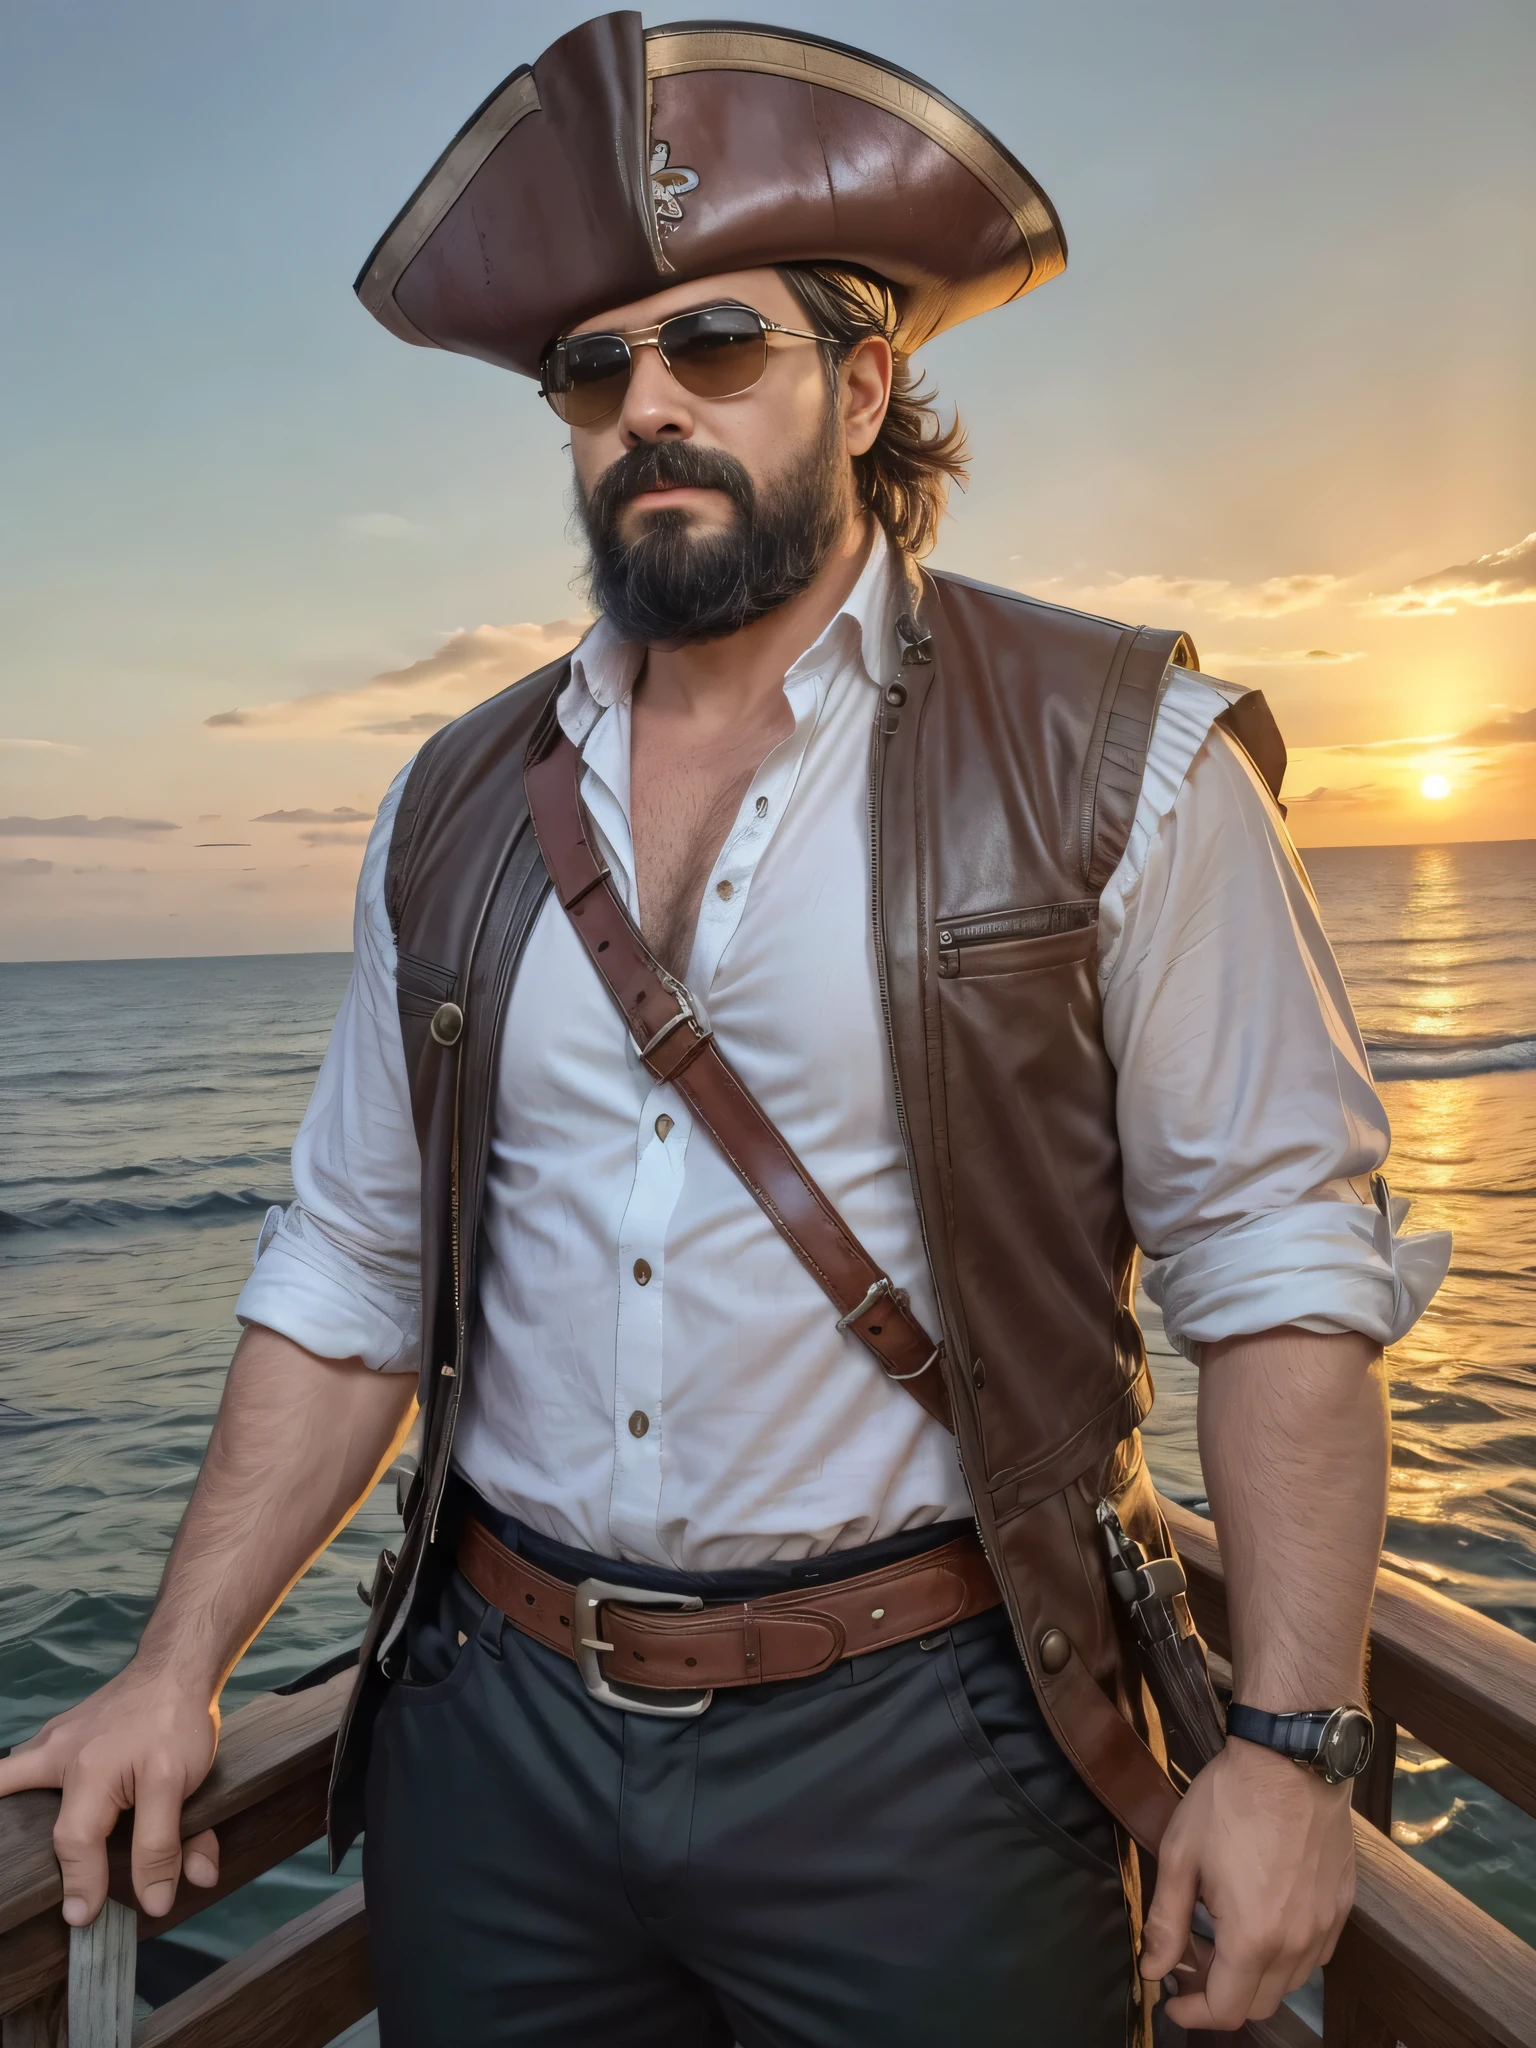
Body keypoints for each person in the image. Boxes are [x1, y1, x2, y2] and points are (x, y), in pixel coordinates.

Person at [0, 15, 1450, 2045]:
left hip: (934, 1742)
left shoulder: (1123, 757)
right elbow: (344, 1261)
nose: (648, 406)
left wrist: (1288, 1751)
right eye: (596, 373)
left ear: (864, 387)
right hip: (490, 1736)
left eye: (716, 349)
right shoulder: (450, 804)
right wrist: (174, 1665)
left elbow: (1279, 1267)